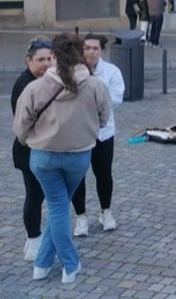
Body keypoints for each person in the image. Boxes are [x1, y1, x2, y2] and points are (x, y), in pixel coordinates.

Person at [13, 33, 110, 284]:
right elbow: (104, 118)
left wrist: (32, 140)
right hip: (78, 156)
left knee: (57, 208)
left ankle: (43, 265)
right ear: (80, 54)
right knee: (59, 207)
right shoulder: (95, 85)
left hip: (43, 156)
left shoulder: (36, 87)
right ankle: (69, 263)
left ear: (54, 56)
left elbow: (20, 126)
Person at [71, 34, 124, 237]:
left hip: (104, 133)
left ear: (102, 50)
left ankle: (106, 212)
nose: (90, 52)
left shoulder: (111, 72)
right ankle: (81, 217)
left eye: (95, 48)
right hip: (79, 133)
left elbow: (116, 98)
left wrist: (91, 103)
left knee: (104, 174)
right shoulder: (74, 73)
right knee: (77, 176)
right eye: (87, 48)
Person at [11, 37, 53, 261]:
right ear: (29, 60)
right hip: (29, 149)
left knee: (38, 195)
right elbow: (24, 124)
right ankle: (33, 240)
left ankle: (33, 240)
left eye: (49, 58)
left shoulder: (46, 80)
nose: (46, 63)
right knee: (35, 196)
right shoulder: (26, 84)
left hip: (41, 147)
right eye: (40, 60)